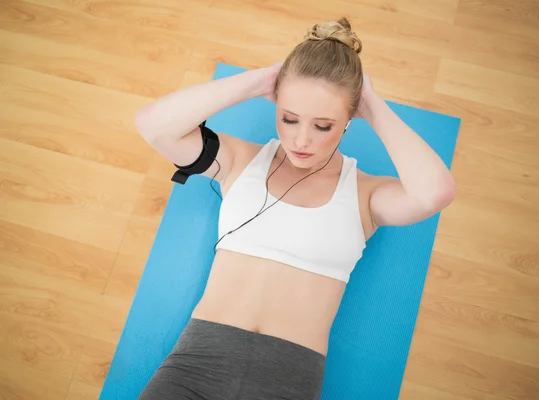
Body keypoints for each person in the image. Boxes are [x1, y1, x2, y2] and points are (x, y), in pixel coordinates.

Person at [134, 17, 455, 400]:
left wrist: (372, 105)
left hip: (287, 380)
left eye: (323, 125)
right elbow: (154, 125)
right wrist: (262, 80)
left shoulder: (365, 195)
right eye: (289, 118)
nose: (301, 140)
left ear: (350, 120)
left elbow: (434, 193)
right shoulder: (240, 162)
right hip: (195, 367)